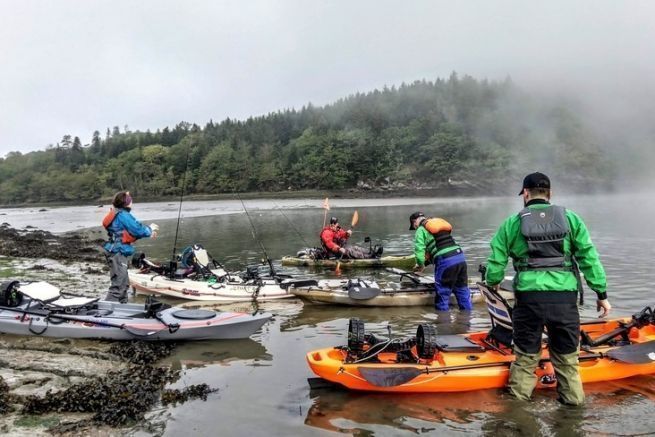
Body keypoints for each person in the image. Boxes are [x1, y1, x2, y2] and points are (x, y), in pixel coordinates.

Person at [485, 172, 611, 406]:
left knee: (525, 359)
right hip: (564, 301)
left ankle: (518, 416)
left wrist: (493, 282)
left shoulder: (512, 223)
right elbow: (589, 257)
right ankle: (573, 415)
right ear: (549, 194)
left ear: (525, 194)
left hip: (529, 301)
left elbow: (496, 262)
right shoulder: (571, 219)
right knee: (566, 361)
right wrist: (601, 293)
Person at [409, 211, 472, 311]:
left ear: (414, 222)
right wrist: (425, 263)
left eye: (414, 226)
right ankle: (467, 321)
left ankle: (443, 324)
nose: (415, 228)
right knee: (462, 290)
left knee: (442, 294)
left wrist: (420, 265)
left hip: (446, 261)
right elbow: (438, 248)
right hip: (460, 257)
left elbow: (419, 251)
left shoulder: (421, 230)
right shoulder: (437, 225)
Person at [102, 191, 158, 303]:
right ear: (126, 203)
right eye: (130, 200)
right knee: (118, 284)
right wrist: (150, 229)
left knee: (124, 283)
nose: (132, 202)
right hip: (117, 252)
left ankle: (122, 307)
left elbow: (127, 234)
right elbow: (137, 230)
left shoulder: (117, 213)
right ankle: (106, 310)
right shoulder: (123, 215)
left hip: (117, 251)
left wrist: (148, 233)